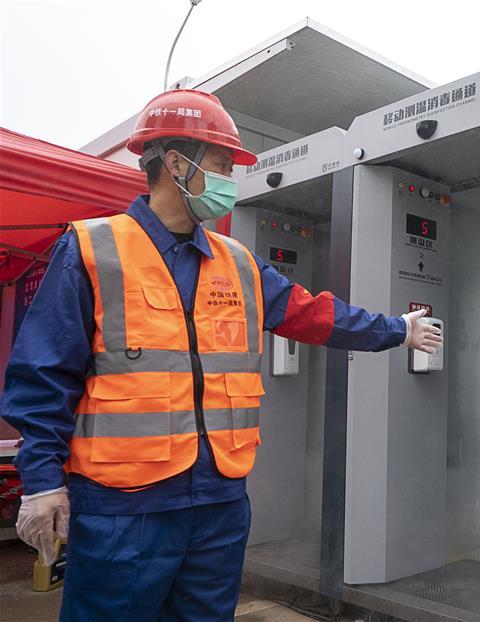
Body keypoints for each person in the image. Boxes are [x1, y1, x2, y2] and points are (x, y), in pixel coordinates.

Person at [1, 89, 442, 621]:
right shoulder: (93, 250)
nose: (231, 179)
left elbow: (312, 315)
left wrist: (396, 329)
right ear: (174, 164)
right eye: (220, 164)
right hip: (125, 505)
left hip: (218, 502)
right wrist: (43, 482)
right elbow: (44, 375)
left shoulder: (238, 263)